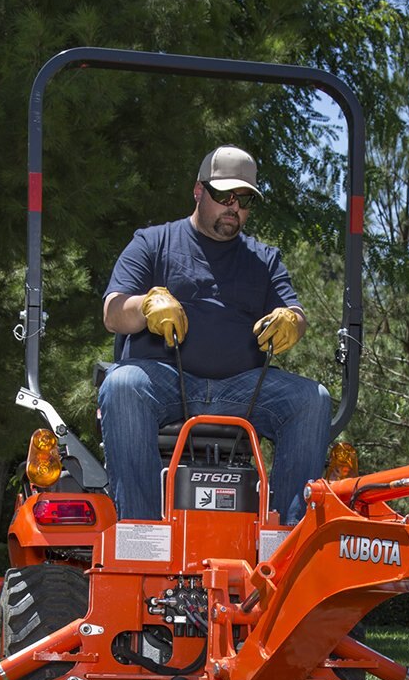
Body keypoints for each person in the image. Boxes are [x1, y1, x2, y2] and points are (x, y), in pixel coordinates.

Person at [99, 145, 331, 524]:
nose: (233, 207)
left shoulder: (264, 260)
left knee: (312, 399)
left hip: (242, 388)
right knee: (122, 384)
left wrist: (292, 321)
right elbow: (112, 313)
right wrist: (144, 306)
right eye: (224, 196)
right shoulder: (153, 242)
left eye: (244, 200)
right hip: (167, 382)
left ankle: (288, 538)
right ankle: (140, 531)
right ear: (198, 191)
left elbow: (296, 313)